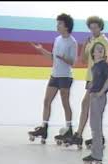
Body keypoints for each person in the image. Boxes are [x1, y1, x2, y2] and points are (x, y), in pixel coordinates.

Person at [28, 13, 78, 144]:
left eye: (60, 23)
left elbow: (73, 62)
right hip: (54, 75)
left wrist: (63, 58)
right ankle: (44, 128)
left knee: (65, 103)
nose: (57, 26)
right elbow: (52, 57)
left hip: (65, 77)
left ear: (66, 26)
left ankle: (69, 129)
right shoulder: (57, 39)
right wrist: (41, 50)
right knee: (46, 101)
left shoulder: (72, 42)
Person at [64, 16, 108, 149]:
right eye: (91, 27)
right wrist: (84, 45)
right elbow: (84, 60)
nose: (93, 29)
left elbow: (104, 60)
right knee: (89, 107)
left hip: (98, 78)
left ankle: (80, 135)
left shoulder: (104, 41)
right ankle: (94, 136)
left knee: (90, 106)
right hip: (90, 77)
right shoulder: (91, 41)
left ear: (100, 27)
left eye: (95, 27)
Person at [82, 42, 108, 164]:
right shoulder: (95, 67)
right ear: (93, 53)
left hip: (98, 97)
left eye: (102, 50)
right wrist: (91, 87)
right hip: (94, 96)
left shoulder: (104, 64)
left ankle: (97, 155)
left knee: (96, 126)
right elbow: (98, 80)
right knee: (94, 125)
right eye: (97, 49)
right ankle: (96, 153)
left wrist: (101, 92)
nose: (100, 51)